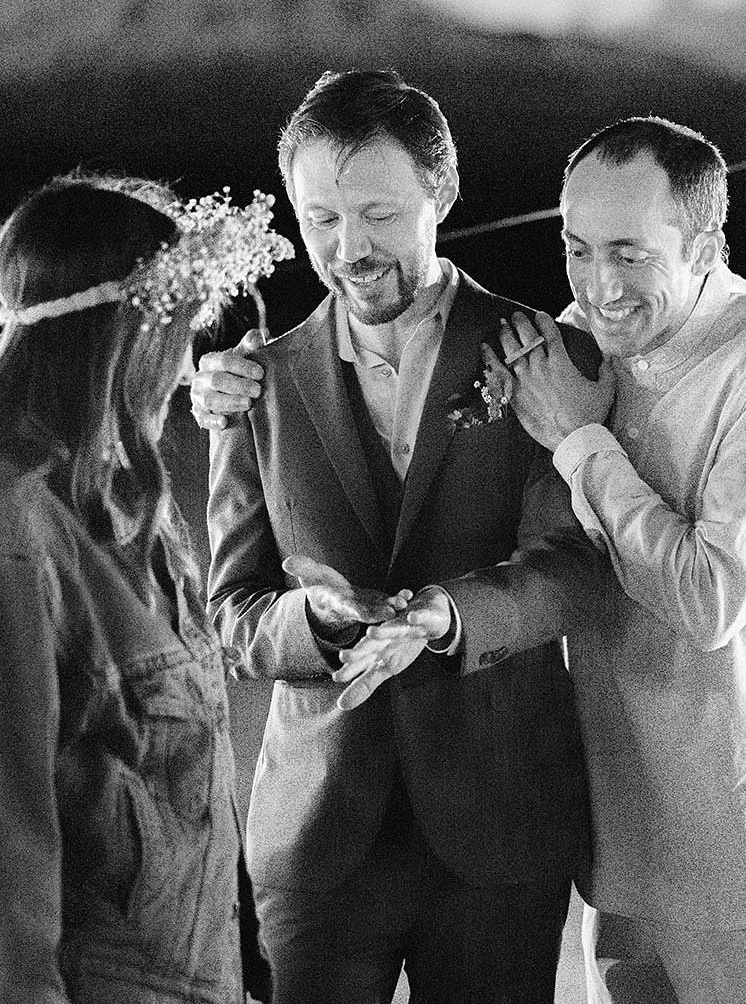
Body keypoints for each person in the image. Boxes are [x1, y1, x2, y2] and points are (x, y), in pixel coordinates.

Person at [351, 115, 746, 1003]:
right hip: (618, 844)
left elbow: (710, 600)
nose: (599, 286)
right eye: (578, 249)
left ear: (705, 244)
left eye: (629, 252)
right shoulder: (570, 348)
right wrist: (233, 389)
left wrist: (582, 438)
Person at [199, 69, 606, 1004]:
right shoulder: (252, 386)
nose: (349, 249)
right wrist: (311, 622)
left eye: (378, 214)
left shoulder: (541, 354)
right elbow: (232, 608)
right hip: (317, 837)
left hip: (500, 828)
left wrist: (445, 615)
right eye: (321, 220)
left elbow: (575, 570)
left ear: (442, 194)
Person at [0, 174, 288, 1002]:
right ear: (122, 338)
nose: (188, 364)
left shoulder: (145, 510)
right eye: (180, 334)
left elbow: (191, 790)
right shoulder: (18, 535)